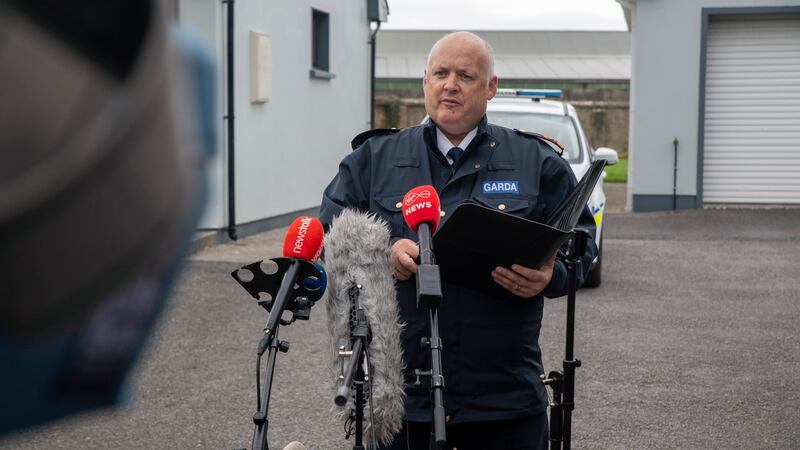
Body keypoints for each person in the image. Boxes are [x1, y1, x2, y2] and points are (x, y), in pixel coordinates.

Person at [319, 31, 597, 450]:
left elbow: (582, 241)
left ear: (490, 87)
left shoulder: (536, 161)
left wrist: (551, 276)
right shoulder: (375, 159)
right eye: (440, 73)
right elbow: (330, 234)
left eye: (465, 75)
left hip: (504, 402)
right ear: (424, 82)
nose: (450, 84)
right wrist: (384, 251)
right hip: (403, 400)